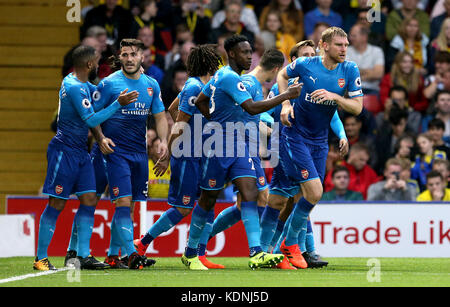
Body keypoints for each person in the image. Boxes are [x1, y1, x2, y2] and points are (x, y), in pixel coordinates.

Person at [181, 34, 302, 270]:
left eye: (251, 52)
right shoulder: (227, 77)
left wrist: (215, 118)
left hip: (238, 145)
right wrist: (286, 96)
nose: (250, 57)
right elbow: (252, 107)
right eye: (245, 52)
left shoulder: (226, 76)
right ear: (233, 54)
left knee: (250, 193)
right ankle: (190, 252)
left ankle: (256, 253)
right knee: (208, 199)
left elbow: (203, 100)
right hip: (218, 145)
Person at [33, 45, 138, 271]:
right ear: (89, 65)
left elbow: (99, 91)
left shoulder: (81, 84)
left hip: (81, 152)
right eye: (97, 62)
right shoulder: (73, 87)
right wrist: (118, 104)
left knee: (90, 198)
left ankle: (81, 255)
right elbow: (91, 119)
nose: (99, 65)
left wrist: (120, 81)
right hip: (63, 151)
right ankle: (40, 258)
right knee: (57, 202)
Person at [273, 26, 362, 269]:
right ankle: (286, 246)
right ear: (324, 46)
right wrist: (285, 104)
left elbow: (357, 108)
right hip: (296, 135)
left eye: (346, 45)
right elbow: (282, 76)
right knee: (312, 192)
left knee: (311, 195)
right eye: (339, 45)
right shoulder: (305, 65)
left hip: (320, 141)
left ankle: (287, 246)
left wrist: (336, 97)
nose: (344, 49)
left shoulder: (350, 69)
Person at [133, 44, 224, 269]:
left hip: (204, 154)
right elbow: (179, 122)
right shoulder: (194, 86)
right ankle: (142, 243)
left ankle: (199, 254)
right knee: (183, 207)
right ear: (209, 63)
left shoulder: (203, 86)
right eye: (216, 60)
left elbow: (172, 108)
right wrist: (169, 154)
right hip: (188, 155)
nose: (219, 63)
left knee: (208, 202)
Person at [203, 48, 285, 264]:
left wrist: (267, 127)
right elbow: (246, 114)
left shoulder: (250, 83)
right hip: (241, 149)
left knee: (243, 205)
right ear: (276, 69)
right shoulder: (249, 84)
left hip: (244, 148)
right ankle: (262, 250)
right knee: (263, 197)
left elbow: (251, 118)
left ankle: (203, 239)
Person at [93, 39, 169, 270]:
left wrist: (164, 140)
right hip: (115, 151)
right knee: (122, 202)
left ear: (142, 58)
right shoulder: (109, 84)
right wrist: (100, 138)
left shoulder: (151, 85)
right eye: (124, 54)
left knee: (131, 206)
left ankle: (113, 256)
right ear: (119, 57)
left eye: (133, 54)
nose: (129, 59)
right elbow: (92, 117)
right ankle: (132, 254)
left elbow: (159, 115)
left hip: (139, 153)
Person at [346, 23, 385, 96]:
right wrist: (369, 72)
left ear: (364, 37)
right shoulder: (345, 51)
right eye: (350, 35)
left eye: (354, 36)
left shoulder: (377, 51)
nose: (350, 38)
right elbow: (346, 74)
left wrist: (356, 73)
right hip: (350, 90)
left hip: (371, 90)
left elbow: (378, 74)